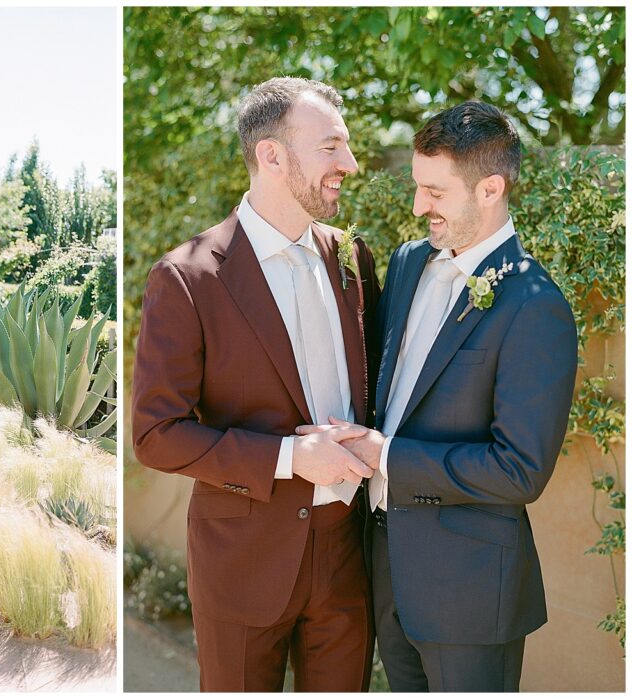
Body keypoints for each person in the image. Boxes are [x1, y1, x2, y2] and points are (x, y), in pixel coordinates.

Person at [298, 101, 578, 691]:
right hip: (387, 570)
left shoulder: (535, 305)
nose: (419, 206)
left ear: (490, 189)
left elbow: (520, 470)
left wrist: (387, 456)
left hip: (471, 597)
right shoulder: (406, 264)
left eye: (435, 192)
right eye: (418, 188)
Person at [131, 76, 381, 692]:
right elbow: (156, 434)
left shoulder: (354, 260)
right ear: (272, 155)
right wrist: (294, 457)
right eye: (330, 147)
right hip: (241, 564)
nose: (348, 164)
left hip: (348, 558)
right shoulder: (187, 278)